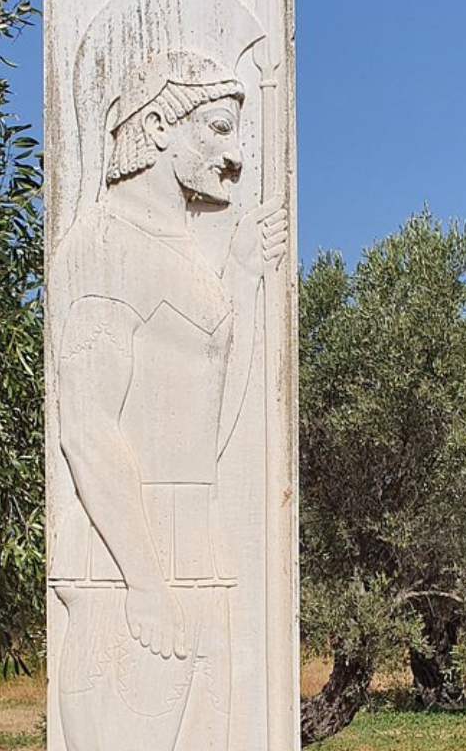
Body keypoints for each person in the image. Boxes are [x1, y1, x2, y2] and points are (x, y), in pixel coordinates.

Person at [49, 50, 287, 751]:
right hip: (126, 573)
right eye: (218, 127)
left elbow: (211, 427)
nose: (238, 157)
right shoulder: (100, 244)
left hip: (198, 555)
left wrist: (240, 279)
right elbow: (86, 429)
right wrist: (146, 584)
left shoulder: (178, 249)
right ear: (157, 127)